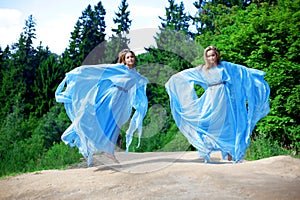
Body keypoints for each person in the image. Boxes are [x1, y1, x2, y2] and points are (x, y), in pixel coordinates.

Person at [165, 46, 270, 163]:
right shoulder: (202, 69)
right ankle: (205, 151)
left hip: (226, 100)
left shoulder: (225, 66)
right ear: (206, 57)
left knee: (230, 125)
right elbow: (186, 75)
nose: (211, 58)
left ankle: (231, 155)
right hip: (211, 100)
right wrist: (173, 80)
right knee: (205, 123)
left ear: (217, 55)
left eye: (213, 55)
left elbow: (241, 71)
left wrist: (255, 74)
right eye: (209, 55)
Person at [55, 49, 148, 166]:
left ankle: (109, 151)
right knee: (100, 117)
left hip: (122, 101)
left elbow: (139, 83)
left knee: (114, 126)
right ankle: (79, 133)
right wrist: (79, 72)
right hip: (113, 96)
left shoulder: (135, 73)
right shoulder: (119, 69)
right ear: (124, 60)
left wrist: (145, 81)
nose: (130, 59)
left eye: (132, 57)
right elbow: (100, 70)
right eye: (128, 57)